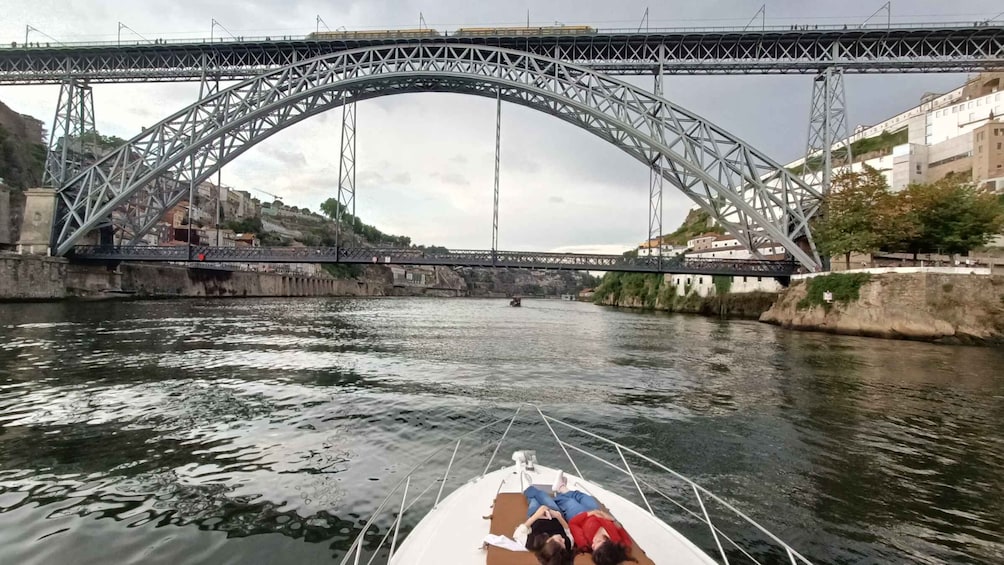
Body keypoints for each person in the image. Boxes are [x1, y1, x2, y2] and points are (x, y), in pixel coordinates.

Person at [551, 471, 638, 565]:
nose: (593, 543)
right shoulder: (619, 541)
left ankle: (561, 490)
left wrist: (589, 514)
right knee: (585, 497)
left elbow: (573, 524)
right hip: (597, 512)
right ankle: (562, 488)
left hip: (579, 516)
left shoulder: (585, 545)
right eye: (599, 541)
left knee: (570, 502)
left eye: (593, 547)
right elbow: (620, 528)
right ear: (610, 544)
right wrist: (610, 518)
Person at [517, 484, 574, 565]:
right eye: (563, 543)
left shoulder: (534, 543)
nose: (564, 540)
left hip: (536, 516)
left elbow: (518, 534)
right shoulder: (565, 546)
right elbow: (568, 532)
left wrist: (537, 514)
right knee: (543, 496)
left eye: (560, 540)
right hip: (555, 515)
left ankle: (528, 488)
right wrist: (558, 516)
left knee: (534, 500)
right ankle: (558, 488)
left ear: (549, 540)